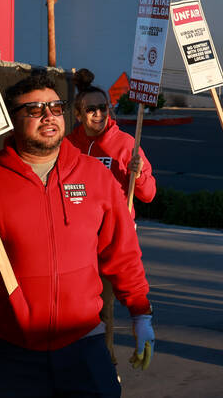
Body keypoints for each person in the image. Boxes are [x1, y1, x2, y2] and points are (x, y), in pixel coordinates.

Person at [0, 72, 154, 398]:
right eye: (34, 110)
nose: (49, 116)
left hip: (84, 344)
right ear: (11, 120)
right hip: (11, 352)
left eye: (55, 107)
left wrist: (141, 312)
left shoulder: (95, 176)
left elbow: (122, 253)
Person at [69, 68, 157, 364]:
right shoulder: (69, 145)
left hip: (113, 239)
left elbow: (149, 194)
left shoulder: (125, 145)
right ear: (78, 114)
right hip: (76, 239)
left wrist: (140, 173)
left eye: (102, 108)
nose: (98, 114)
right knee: (80, 307)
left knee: (105, 308)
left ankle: (105, 366)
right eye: (90, 109)